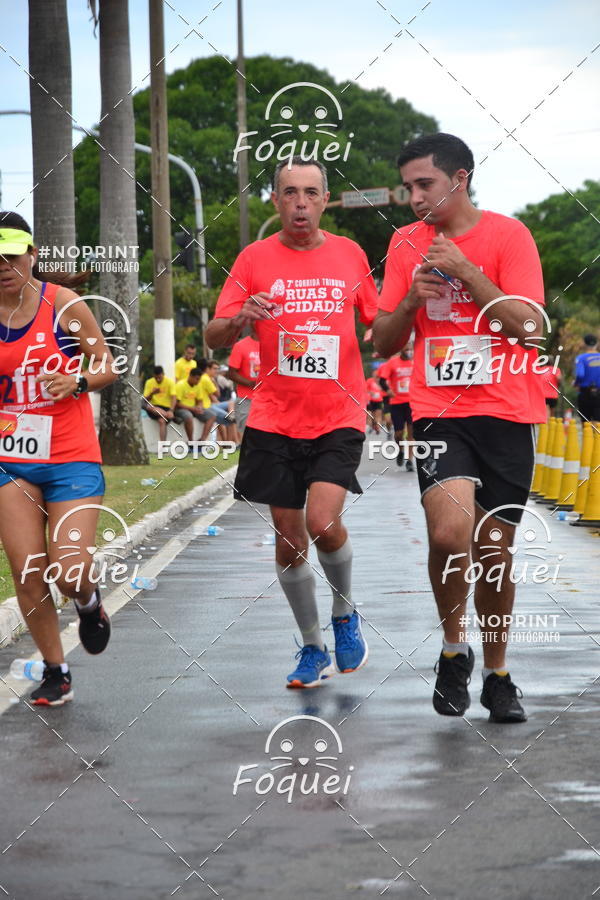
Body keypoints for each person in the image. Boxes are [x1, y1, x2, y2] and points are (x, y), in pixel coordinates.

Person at [373, 133, 546, 723]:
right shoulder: (404, 246)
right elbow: (382, 340)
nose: (415, 198)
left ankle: (498, 673)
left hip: (507, 411)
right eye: (409, 188)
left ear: (460, 178)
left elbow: (529, 328)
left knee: (494, 552)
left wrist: (470, 273)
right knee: (449, 536)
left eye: (426, 184)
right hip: (440, 411)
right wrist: (408, 307)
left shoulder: (508, 236)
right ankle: (454, 650)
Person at [206, 157, 378, 689]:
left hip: (338, 412)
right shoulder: (253, 258)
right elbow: (215, 336)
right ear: (275, 200)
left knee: (323, 522)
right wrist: (239, 320)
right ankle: (311, 646)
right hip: (275, 417)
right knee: (289, 538)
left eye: (310, 193)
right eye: (289, 193)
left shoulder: (351, 254)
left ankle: (345, 616)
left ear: (325, 200)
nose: (300, 202)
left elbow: (380, 321)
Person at [0, 212, 116, 705]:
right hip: (10, 460)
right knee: (27, 571)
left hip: (70, 458)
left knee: (68, 571)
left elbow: (106, 363)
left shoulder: (63, 305)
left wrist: (79, 381)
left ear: (33, 254)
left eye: (12, 253)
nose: (4, 264)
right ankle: (56, 669)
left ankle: (88, 603)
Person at [378, 345, 415, 470]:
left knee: (411, 433)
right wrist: (388, 390)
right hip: (397, 403)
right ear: (401, 351)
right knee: (398, 434)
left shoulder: (415, 362)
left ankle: (410, 461)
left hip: (412, 402)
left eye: (410, 349)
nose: (409, 352)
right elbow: (382, 380)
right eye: (406, 350)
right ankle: (401, 451)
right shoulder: (392, 363)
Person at [227, 332, 260, 435]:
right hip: (246, 399)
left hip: (268, 399)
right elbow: (231, 374)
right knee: (247, 436)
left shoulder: (273, 343)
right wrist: (251, 383)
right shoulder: (241, 346)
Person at [174, 367, 215, 445]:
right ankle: (191, 442)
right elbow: (177, 403)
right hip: (180, 409)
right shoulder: (180, 385)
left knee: (212, 415)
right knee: (188, 416)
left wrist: (199, 407)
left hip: (193, 409)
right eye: (197, 379)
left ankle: (202, 440)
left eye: (199, 379)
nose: (198, 381)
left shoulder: (198, 385)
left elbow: (199, 400)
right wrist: (193, 409)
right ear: (190, 376)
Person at [142, 365, 176, 441]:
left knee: (162, 421)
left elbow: (174, 397)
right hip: (154, 408)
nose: (158, 379)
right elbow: (145, 399)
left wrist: (171, 410)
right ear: (153, 375)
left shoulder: (170, 382)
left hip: (166, 408)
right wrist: (152, 393)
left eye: (159, 377)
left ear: (163, 374)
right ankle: (167, 415)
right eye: (156, 377)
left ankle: (163, 447)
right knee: (150, 407)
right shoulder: (149, 382)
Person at [574, 334, 600, 423]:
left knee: (585, 421)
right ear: (597, 343)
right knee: (598, 420)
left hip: (585, 391)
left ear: (584, 344)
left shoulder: (581, 358)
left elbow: (580, 374)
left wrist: (576, 383)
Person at [365, 370, 384, 434]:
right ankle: (369, 427)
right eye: (375, 374)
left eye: (377, 375)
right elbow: (365, 389)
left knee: (378, 415)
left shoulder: (381, 381)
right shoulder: (370, 381)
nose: (376, 376)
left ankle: (377, 428)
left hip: (379, 400)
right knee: (370, 414)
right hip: (370, 400)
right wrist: (370, 392)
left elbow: (385, 389)